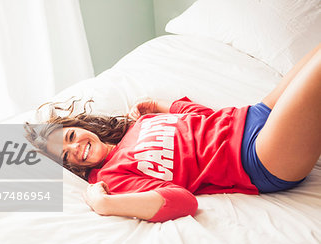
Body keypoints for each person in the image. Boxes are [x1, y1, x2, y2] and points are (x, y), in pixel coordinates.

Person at [27, 44, 321, 223]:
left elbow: (204, 119)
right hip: (258, 158)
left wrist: (160, 106)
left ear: (81, 127)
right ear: (72, 167)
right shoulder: (110, 178)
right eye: (67, 155)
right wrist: (105, 204)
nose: (76, 146)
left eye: (69, 137)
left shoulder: (136, 127)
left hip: (252, 115)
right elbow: (182, 201)